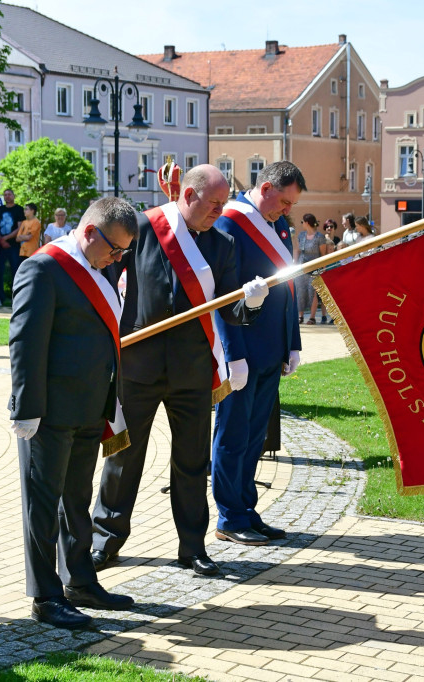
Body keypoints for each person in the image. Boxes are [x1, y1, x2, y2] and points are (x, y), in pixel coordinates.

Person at [90, 164, 268, 577]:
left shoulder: (222, 243)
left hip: (191, 370)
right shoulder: (142, 227)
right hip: (138, 364)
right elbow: (102, 276)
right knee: (124, 457)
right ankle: (106, 539)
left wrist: (252, 300)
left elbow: (231, 309)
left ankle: (192, 547)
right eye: (214, 204)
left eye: (224, 204)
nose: (220, 212)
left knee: (191, 462)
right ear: (188, 195)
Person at [9, 196, 138, 630]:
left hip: (88, 408)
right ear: (88, 232)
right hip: (48, 412)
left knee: (76, 501)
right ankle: (46, 596)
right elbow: (24, 343)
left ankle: (79, 580)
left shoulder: (98, 269)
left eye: (123, 252)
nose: (117, 259)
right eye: (114, 249)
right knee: (42, 506)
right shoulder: (44, 268)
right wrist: (26, 408)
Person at [211, 160, 305, 547]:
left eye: (291, 204)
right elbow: (222, 296)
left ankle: (247, 509)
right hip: (243, 350)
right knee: (233, 435)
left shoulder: (278, 223)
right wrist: (233, 355)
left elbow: (286, 285)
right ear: (265, 188)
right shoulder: (231, 222)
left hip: (270, 349)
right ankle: (229, 517)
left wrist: (292, 341)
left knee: (255, 437)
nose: (287, 210)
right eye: (283, 201)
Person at [293, 213, 327, 325]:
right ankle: (300, 316)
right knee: (301, 291)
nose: (302, 224)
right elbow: (297, 250)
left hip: (314, 268)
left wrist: (323, 268)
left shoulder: (320, 237)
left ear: (307, 223)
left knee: (312, 292)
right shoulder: (301, 235)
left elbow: (323, 254)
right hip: (301, 267)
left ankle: (312, 317)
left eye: (303, 222)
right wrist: (295, 264)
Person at [0, 188, 25, 295]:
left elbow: (20, 228)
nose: (7, 196)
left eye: (9, 194)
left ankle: (16, 297)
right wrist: (1, 240)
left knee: (15, 271)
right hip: (0, 246)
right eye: (5, 195)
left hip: (14, 246)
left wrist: (6, 238)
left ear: (13, 196)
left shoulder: (19, 209)